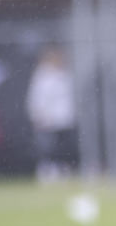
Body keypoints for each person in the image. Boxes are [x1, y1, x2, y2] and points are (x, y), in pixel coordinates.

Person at [26, 45, 78, 183]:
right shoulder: (43, 76)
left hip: (64, 119)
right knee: (48, 147)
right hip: (49, 119)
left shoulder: (65, 75)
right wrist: (38, 115)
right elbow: (37, 98)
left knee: (64, 147)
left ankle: (62, 169)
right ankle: (47, 170)